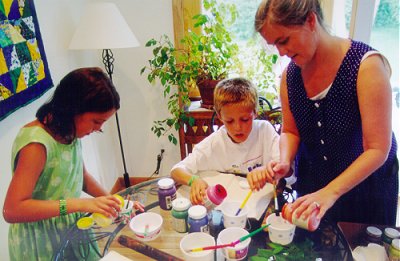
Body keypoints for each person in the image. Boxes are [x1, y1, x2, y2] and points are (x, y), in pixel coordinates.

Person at [254, 0, 398, 225]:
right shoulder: (290, 77)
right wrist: (285, 160)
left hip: (366, 191)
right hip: (314, 188)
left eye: (284, 40)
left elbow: (377, 149)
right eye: (275, 45)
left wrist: (330, 192)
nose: (281, 52)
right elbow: (291, 131)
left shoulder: (366, 67)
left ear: (311, 21)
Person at [2, 67, 144, 260]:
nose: (98, 129)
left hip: (71, 226)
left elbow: (82, 177)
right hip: (42, 239)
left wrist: (118, 203)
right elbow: (12, 210)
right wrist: (80, 204)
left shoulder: (68, 131)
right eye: (96, 121)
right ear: (74, 109)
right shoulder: (36, 144)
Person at [171, 77, 281, 205]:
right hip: (229, 206)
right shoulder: (215, 143)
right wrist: (194, 180)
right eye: (229, 121)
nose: (238, 127)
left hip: (260, 203)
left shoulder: (264, 131)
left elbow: (286, 167)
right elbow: (176, 170)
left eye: (245, 119)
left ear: (255, 112)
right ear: (220, 117)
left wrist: (267, 170)